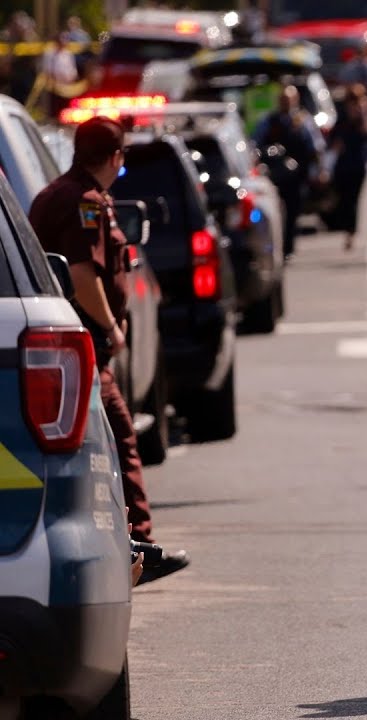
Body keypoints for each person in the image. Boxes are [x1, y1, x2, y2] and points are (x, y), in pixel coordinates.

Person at [28, 117, 190, 586]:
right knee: (119, 440)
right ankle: (139, 549)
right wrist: (112, 329)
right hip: (83, 350)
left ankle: (132, 547)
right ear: (116, 158)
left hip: (63, 350)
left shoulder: (51, 193)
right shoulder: (85, 202)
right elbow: (82, 276)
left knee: (107, 445)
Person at [253, 85, 320, 260]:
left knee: (292, 211)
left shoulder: (303, 121)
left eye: (289, 100)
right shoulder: (269, 121)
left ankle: (288, 247)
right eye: (283, 100)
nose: (286, 103)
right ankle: (278, 247)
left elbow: (315, 147)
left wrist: (318, 171)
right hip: (274, 176)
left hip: (297, 177)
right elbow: (255, 144)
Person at [327, 86, 367, 250]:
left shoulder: (364, 117)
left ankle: (351, 232)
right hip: (342, 165)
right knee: (343, 199)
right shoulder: (341, 118)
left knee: (354, 199)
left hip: (358, 164)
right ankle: (345, 227)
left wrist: (363, 114)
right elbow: (332, 140)